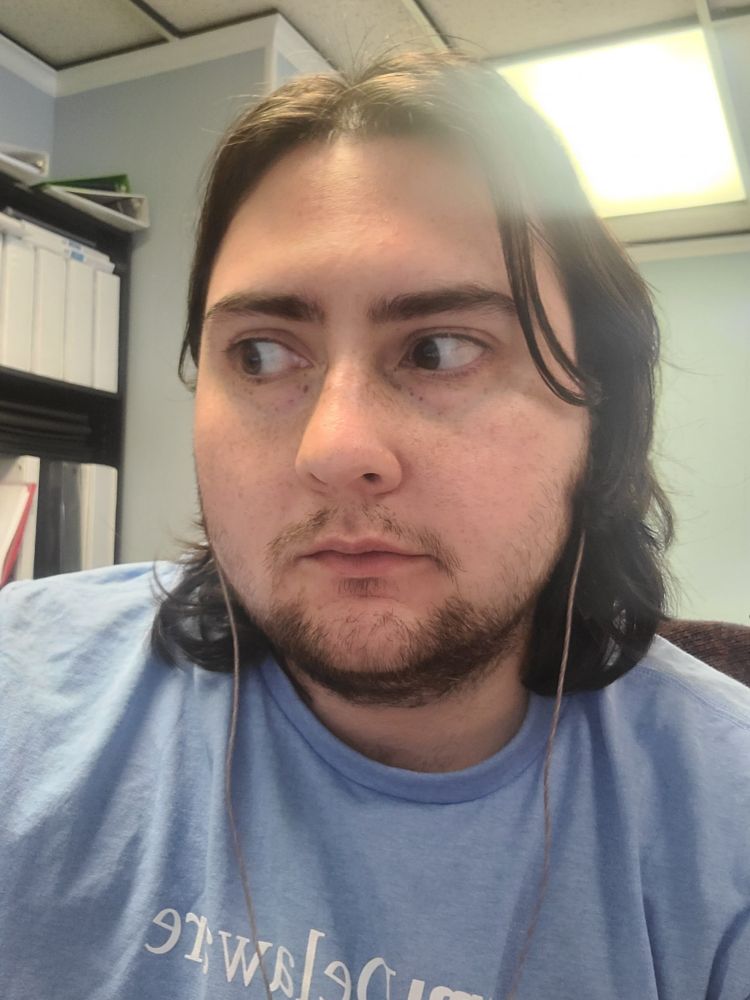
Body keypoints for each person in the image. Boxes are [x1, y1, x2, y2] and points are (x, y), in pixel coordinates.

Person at [1, 51, 748, 1000]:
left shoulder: (726, 827)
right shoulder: (20, 694)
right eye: (263, 354)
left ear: (599, 421)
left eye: (440, 350)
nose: (335, 445)